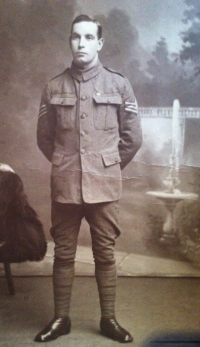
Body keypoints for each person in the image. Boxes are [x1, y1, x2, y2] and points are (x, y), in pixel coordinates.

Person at [34, 14, 142, 343]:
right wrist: (66, 163)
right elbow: (44, 138)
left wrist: (107, 166)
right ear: (70, 41)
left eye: (87, 37)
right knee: (64, 254)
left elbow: (132, 138)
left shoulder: (118, 85)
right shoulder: (54, 86)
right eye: (75, 37)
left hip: (104, 187)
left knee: (105, 254)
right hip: (65, 185)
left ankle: (109, 319)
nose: (81, 43)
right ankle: (60, 319)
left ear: (99, 43)